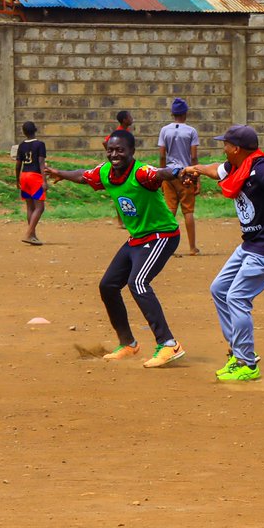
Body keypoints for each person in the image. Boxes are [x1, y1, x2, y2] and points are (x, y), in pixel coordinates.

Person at [45, 130, 188, 368]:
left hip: (161, 235)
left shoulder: (141, 173)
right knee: (108, 285)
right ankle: (128, 343)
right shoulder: (105, 172)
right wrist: (61, 173)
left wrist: (180, 171)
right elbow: (83, 176)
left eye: (120, 150)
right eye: (110, 150)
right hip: (137, 239)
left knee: (138, 283)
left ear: (132, 151)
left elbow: (161, 172)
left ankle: (169, 344)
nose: (114, 154)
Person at [183, 125, 264, 381]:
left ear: (236, 148)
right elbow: (215, 170)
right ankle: (238, 352)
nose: (223, 148)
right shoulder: (235, 166)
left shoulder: (262, 168)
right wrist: (196, 169)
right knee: (219, 289)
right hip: (251, 244)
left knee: (237, 297)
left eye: (225, 144)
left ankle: (246, 362)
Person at [158, 97, 201, 256]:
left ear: (172, 113)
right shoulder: (191, 131)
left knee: (170, 211)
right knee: (188, 211)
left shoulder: (164, 130)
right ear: (186, 113)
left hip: (169, 174)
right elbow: (194, 157)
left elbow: (162, 155)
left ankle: (165, 247)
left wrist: (161, 174)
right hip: (186, 174)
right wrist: (197, 177)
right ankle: (192, 248)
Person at [15, 121, 48, 246]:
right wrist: (44, 181)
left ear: (23, 132)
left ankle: (32, 235)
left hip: (24, 176)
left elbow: (18, 164)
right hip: (35, 177)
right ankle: (29, 233)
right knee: (40, 207)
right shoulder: (40, 144)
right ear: (36, 129)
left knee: (30, 207)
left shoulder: (22, 145)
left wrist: (17, 179)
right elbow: (41, 163)